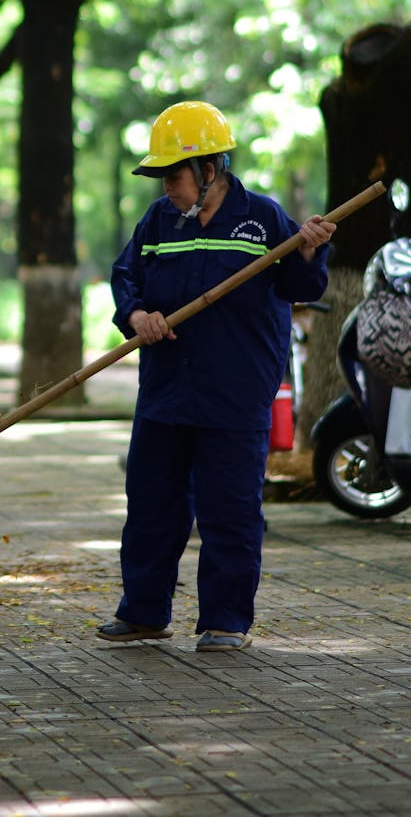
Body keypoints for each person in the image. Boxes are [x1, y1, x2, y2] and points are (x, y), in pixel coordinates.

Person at [98, 100, 336, 653]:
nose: (167, 189)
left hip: (235, 392)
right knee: (151, 504)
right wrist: (138, 316)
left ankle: (226, 621)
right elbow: (126, 276)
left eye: (174, 176)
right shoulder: (157, 223)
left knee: (228, 509)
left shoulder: (263, 220)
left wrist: (308, 250)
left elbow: (301, 287)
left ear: (210, 169)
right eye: (161, 178)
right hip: (164, 391)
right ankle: (144, 612)